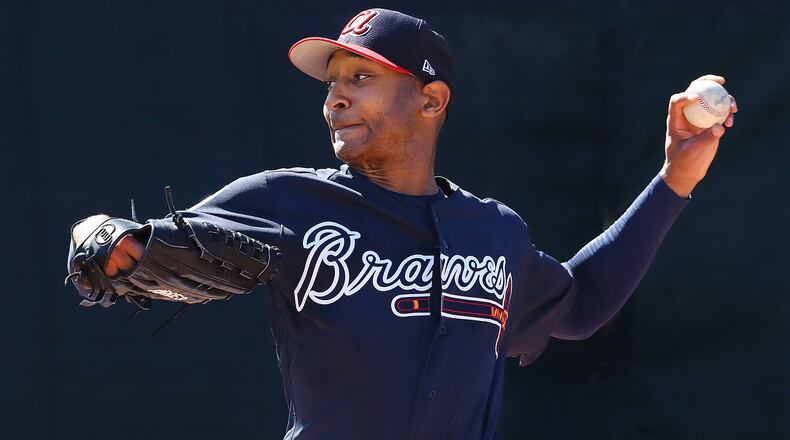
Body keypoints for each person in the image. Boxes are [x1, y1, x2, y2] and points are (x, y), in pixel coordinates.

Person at [67, 8, 737, 440]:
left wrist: (675, 177)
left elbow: (582, 305)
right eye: (332, 81)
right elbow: (139, 250)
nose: (336, 96)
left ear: (431, 99)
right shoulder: (286, 200)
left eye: (361, 77)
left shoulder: (494, 232)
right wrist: (105, 243)